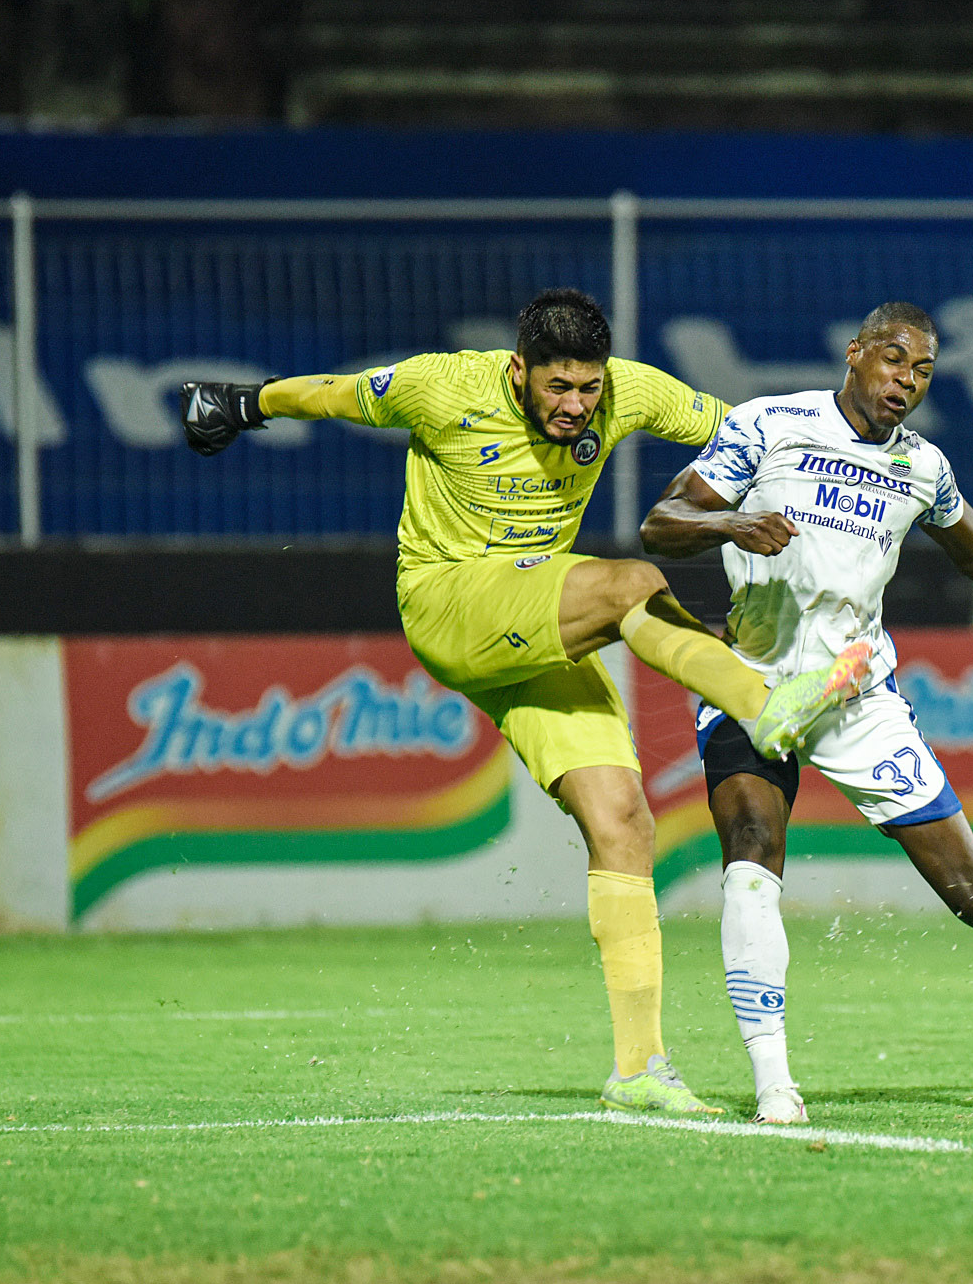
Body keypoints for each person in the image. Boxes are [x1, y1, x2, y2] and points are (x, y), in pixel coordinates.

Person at [179, 288, 871, 1117]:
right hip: (447, 600)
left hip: (536, 621)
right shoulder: (443, 387)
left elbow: (743, 430)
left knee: (623, 820)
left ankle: (639, 1067)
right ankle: (765, 704)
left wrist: (844, 466)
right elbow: (333, 394)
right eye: (558, 389)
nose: (577, 407)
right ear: (519, 371)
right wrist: (241, 403)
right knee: (634, 583)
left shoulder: (627, 392)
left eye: (588, 389)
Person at [639, 300, 973, 1124]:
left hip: (856, 698)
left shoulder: (921, 467)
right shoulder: (769, 424)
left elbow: (969, 542)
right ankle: (775, 1089)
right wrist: (733, 521)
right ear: (855, 353)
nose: (907, 381)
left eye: (923, 371)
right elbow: (661, 522)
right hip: (749, 685)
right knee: (751, 856)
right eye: (894, 359)